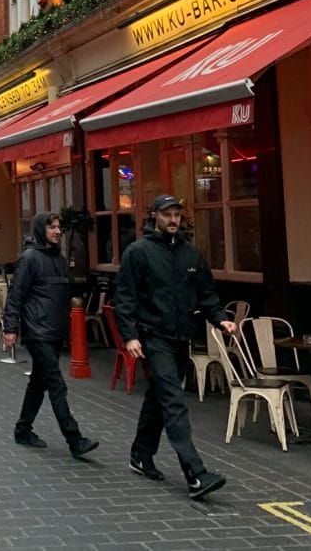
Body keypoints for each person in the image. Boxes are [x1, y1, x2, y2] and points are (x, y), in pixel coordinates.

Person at [113, 195, 236, 500]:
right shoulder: (138, 252)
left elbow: (206, 293)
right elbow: (125, 297)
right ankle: (195, 474)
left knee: (159, 396)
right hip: (153, 336)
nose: (173, 220)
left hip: (182, 336)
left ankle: (141, 456)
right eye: (167, 214)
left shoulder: (190, 254)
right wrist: (129, 336)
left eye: (177, 215)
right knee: (174, 401)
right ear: (154, 215)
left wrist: (220, 319)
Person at [2, 212, 99, 458]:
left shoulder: (59, 258)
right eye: (52, 227)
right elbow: (16, 294)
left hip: (54, 330)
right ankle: (74, 439)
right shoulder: (30, 258)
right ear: (40, 230)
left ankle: (23, 429)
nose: (58, 231)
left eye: (59, 227)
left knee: (39, 382)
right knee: (56, 383)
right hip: (37, 331)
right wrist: (10, 328)